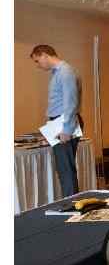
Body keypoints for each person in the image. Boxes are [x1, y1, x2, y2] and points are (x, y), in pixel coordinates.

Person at [30, 44, 83, 198]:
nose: (38, 65)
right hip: (60, 122)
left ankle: (72, 204)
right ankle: (71, 202)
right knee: (64, 168)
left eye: (37, 60)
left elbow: (70, 102)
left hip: (64, 123)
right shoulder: (58, 72)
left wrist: (67, 129)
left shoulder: (65, 72)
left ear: (45, 55)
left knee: (66, 169)